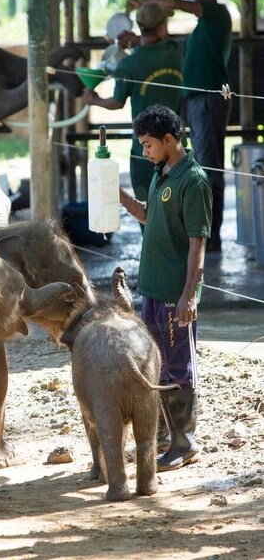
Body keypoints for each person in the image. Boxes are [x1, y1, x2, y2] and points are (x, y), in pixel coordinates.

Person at [119, 104, 212, 471]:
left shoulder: (193, 181)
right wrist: (123, 200)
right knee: (156, 363)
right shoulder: (162, 172)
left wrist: (189, 294)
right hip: (152, 289)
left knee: (178, 365)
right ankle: (160, 437)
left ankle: (184, 443)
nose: (145, 152)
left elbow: (197, 243)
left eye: (148, 145)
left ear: (170, 140)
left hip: (176, 293)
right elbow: (149, 216)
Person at [128, 0, 232, 251]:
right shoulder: (204, 26)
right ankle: (202, 233)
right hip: (198, 100)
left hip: (208, 98)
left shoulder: (217, 13)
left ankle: (210, 237)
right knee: (200, 164)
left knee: (208, 166)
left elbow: (176, 5)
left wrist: (148, 2)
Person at [84, 1, 184, 207]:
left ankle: (149, 239)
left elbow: (117, 103)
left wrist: (94, 100)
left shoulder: (128, 65)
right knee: (178, 206)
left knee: (147, 206)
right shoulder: (178, 52)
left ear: (139, 28)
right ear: (163, 26)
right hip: (176, 146)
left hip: (145, 151)